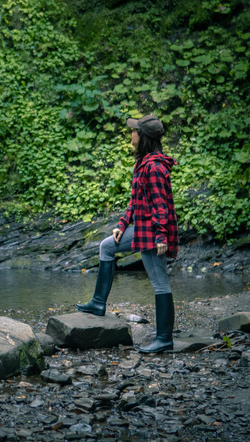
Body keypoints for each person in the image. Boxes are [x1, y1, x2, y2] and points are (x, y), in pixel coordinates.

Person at [75, 114, 179, 353]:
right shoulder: (143, 162)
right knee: (107, 247)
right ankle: (98, 304)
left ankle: (164, 339)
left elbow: (160, 204)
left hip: (152, 232)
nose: (130, 134)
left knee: (160, 282)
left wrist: (161, 235)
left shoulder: (153, 167)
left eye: (134, 131)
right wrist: (122, 225)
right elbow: (136, 200)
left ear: (143, 137)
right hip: (141, 229)